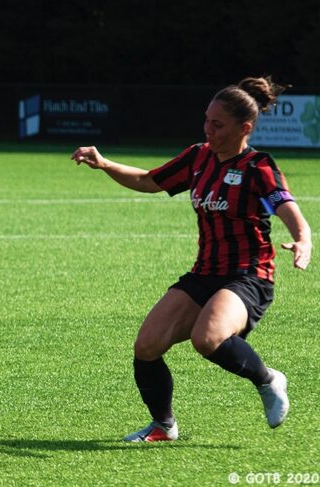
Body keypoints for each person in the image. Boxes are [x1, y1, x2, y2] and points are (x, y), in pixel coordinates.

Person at [71, 77, 311, 442]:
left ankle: (268, 379)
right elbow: (149, 181)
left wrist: (302, 239)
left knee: (208, 338)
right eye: (206, 121)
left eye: (218, 125)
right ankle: (163, 426)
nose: (208, 130)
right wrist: (105, 164)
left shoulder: (258, 166)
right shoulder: (199, 157)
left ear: (244, 128)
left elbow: (286, 206)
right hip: (205, 273)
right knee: (146, 346)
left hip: (248, 275)